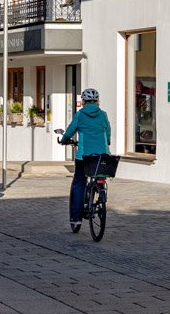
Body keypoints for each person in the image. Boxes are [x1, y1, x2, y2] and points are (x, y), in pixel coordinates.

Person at [58, 87, 111, 234]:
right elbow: (108, 131)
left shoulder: (80, 115)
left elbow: (70, 131)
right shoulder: (103, 115)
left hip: (84, 157)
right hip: (102, 157)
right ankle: (99, 195)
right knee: (99, 177)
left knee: (79, 183)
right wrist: (108, 142)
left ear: (84, 101)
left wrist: (64, 140)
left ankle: (76, 218)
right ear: (97, 101)